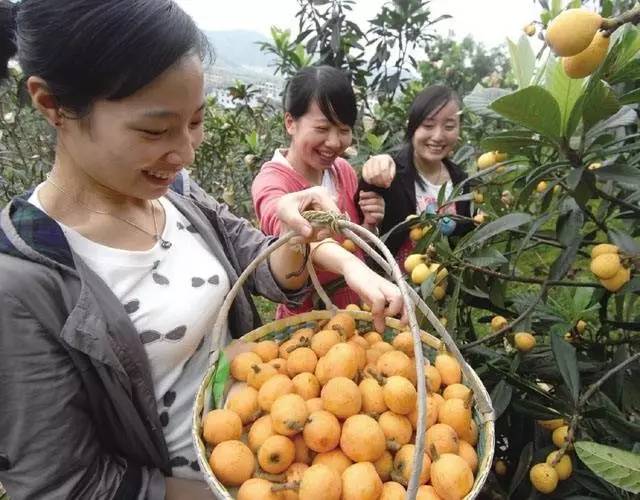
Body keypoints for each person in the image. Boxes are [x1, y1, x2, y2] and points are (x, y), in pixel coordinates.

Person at [0, 2, 404, 499]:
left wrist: (308, 239)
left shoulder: (178, 196)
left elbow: (259, 263)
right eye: (155, 130)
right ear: (52, 104)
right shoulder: (22, 282)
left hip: (281, 448)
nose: (186, 152)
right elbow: (66, 485)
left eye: (195, 122)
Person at [252, 65, 385, 318]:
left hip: (354, 313)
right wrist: (348, 265)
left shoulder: (342, 170)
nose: (335, 142)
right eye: (322, 129)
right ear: (291, 123)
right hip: (307, 326)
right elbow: (282, 220)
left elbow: (352, 241)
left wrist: (368, 225)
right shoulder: (271, 181)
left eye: (344, 130)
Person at [358, 85, 473, 263]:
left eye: (449, 126)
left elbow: (466, 240)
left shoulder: (462, 182)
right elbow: (362, 201)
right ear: (412, 126)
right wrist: (372, 170)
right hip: (394, 285)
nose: (438, 136)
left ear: (459, 130)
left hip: (444, 285)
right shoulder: (391, 173)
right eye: (428, 125)